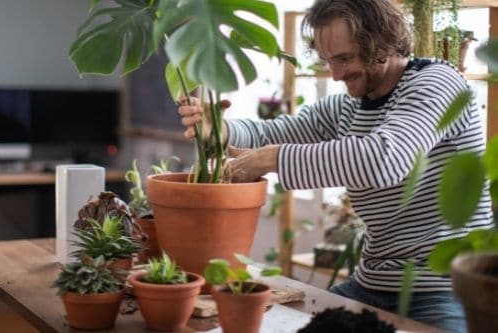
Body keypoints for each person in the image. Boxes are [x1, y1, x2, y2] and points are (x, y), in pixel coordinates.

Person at [178, 1, 494, 332]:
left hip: (441, 289)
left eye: (345, 58)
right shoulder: (348, 106)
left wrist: (271, 159)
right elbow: (276, 131)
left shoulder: (438, 83)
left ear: (383, 41)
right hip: (370, 283)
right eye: (329, 61)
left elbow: (385, 159)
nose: (336, 74)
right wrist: (219, 128)